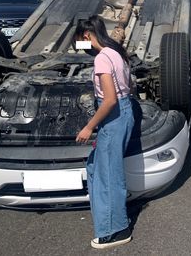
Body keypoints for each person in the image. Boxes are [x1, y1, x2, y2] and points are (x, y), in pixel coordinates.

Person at [75, 15, 135, 250]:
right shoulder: (116, 52)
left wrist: (89, 126)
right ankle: (113, 220)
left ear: (87, 36)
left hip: (112, 115)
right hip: (124, 111)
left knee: (108, 176)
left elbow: (109, 99)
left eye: (80, 41)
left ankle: (115, 230)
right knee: (100, 167)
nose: (80, 46)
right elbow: (129, 87)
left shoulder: (102, 58)